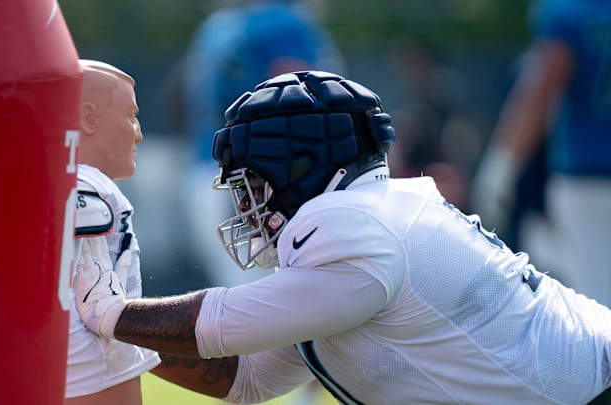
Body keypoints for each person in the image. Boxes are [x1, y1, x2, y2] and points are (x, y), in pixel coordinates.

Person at [72, 71, 611, 404]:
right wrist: (113, 334)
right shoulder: (371, 223)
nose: (244, 206)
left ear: (299, 171)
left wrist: (108, 313)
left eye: (252, 184)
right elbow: (243, 379)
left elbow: (219, 326)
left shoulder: (346, 223)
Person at [171, 0, 345, 288]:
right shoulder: (256, 22)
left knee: (246, 289)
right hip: (237, 169)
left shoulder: (246, 23)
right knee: (255, 290)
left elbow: (301, 100)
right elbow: (297, 97)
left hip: (233, 170)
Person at [471, 0, 611, 308]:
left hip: (585, 179)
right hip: (586, 180)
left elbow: (540, 91)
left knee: (597, 302)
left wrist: (502, 165)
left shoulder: (570, 10)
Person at [65, 59, 160, 404]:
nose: (138, 132)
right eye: (131, 116)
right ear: (89, 118)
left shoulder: (49, 178)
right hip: (94, 364)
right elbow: (97, 302)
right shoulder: (89, 186)